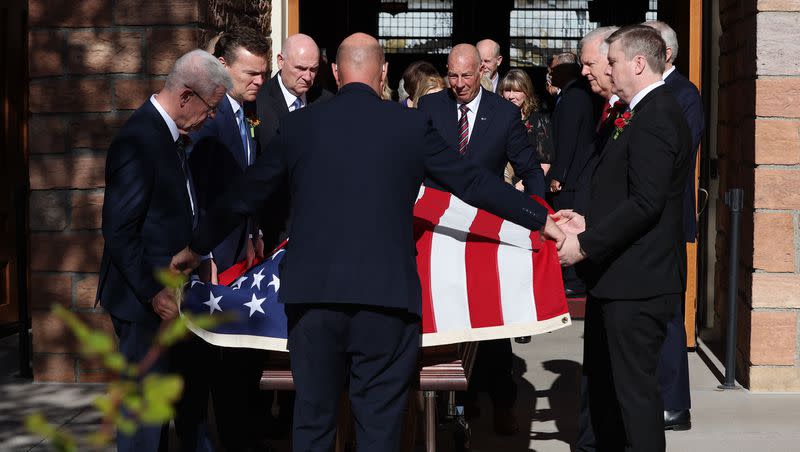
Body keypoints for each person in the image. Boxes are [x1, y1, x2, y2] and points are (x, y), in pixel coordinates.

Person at [170, 32, 565, 452]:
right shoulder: (410, 125)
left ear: (335, 73)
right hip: (387, 302)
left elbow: (246, 193)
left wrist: (195, 247)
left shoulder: (300, 126)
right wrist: (540, 218)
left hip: (315, 299)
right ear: (384, 73)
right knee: (379, 429)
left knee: (314, 425)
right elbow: (472, 182)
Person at [557, 25, 692, 451]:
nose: (608, 71)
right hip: (619, 280)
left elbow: (646, 203)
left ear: (638, 63)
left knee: (635, 400)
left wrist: (585, 243)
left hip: (638, 283)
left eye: (612, 61)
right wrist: (585, 219)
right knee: (609, 393)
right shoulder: (639, 111)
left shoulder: (656, 116)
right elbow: (623, 190)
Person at [96, 49, 230, 452]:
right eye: (212, 107)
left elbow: (173, 210)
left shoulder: (171, 134)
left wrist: (201, 259)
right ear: (186, 96)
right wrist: (152, 293)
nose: (212, 117)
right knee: (143, 423)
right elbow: (119, 230)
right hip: (144, 304)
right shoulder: (139, 139)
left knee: (184, 409)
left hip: (172, 295)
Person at [417, 43, 546, 435]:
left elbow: (528, 167)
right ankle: (456, 403)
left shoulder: (503, 113)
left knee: (491, 324)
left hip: (484, 230)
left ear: (481, 73)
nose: (458, 84)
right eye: (452, 76)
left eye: (466, 76)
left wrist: (540, 214)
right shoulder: (430, 108)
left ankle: (502, 402)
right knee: (444, 319)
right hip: (437, 229)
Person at [187, 27, 272, 451]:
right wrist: (204, 252)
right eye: (250, 73)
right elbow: (198, 194)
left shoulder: (243, 114)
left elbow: (244, 186)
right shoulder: (207, 120)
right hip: (213, 261)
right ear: (222, 67)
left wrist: (254, 230)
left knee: (238, 362)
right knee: (210, 366)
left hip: (243, 253)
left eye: (263, 72)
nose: (259, 81)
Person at [645, 19, 705, 432]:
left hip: (666, 220)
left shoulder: (684, 94)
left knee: (668, 315)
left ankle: (674, 404)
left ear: (665, 53)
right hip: (648, 219)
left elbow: (674, 160)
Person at [571, 25, 620, 452]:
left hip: (624, 267)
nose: (583, 71)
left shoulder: (642, 113)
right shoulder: (606, 109)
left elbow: (640, 200)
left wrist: (585, 238)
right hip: (601, 257)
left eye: (589, 63)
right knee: (597, 368)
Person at [547, 51, 598, 298]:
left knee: (567, 226)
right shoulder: (569, 95)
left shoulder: (574, 96)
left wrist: (558, 175)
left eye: (555, 70)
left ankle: (574, 280)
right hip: (572, 174)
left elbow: (567, 140)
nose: (550, 73)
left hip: (570, 177)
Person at [498, 68, 554, 178]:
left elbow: (545, 163)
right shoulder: (496, 118)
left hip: (527, 184)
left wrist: (523, 185)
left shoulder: (538, 120)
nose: (511, 96)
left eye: (517, 91)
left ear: (526, 92)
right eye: (507, 90)